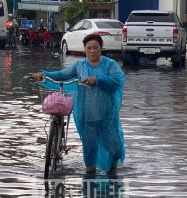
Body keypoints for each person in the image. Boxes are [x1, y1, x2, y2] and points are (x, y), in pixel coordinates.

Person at [33, 34, 125, 175]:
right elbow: (61, 75)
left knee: (115, 149)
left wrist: (98, 79)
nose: (92, 51)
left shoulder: (110, 64)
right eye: (89, 48)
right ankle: (90, 172)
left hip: (107, 113)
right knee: (89, 146)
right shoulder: (79, 66)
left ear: (101, 48)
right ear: (84, 49)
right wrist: (43, 74)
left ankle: (112, 169)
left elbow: (117, 80)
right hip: (86, 113)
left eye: (95, 48)